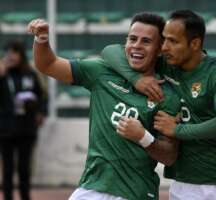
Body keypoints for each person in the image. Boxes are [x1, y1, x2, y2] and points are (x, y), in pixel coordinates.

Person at [101, 10, 216, 200]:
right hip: (184, 185)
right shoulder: (166, 66)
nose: (164, 47)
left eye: (173, 41)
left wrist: (177, 130)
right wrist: (136, 80)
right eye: (164, 40)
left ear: (195, 44)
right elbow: (110, 51)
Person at [27, 12, 181, 200]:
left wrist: (144, 137)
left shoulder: (167, 95)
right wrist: (42, 38)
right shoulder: (102, 72)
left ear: (159, 49)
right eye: (132, 39)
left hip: (135, 193)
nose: (136, 46)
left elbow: (169, 156)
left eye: (146, 41)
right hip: (91, 188)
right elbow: (48, 64)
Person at [0, 40, 46, 200]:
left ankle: (25, 197)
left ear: (21, 55)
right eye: (8, 53)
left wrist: (41, 111)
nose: (10, 56)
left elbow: (42, 96)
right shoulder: (2, 75)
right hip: (5, 130)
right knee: (7, 169)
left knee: (24, 169)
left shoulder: (30, 74)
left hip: (26, 129)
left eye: (14, 52)